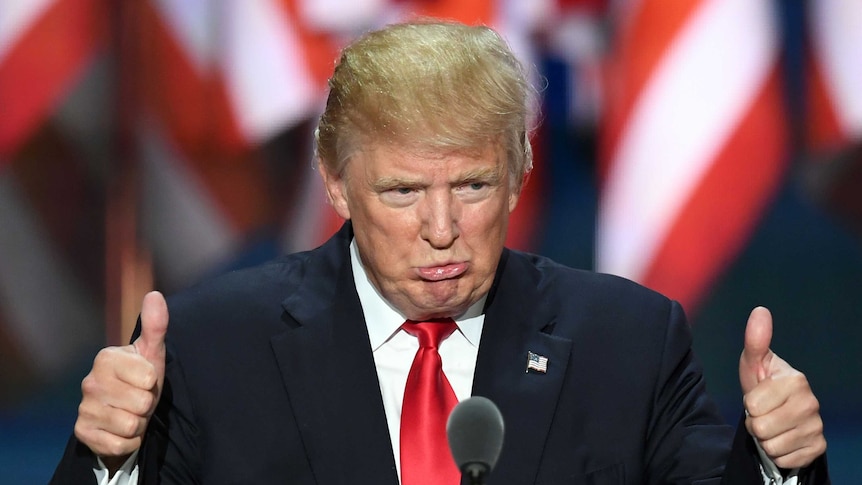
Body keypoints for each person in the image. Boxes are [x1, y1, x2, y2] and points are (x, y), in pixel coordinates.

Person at [51, 20, 828, 485]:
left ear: (520, 175)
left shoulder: (628, 341)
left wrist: (776, 460)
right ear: (335, 181)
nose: (442, 226)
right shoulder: (214, 348)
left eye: (473, 184)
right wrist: (109, 460)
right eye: (401, 192)